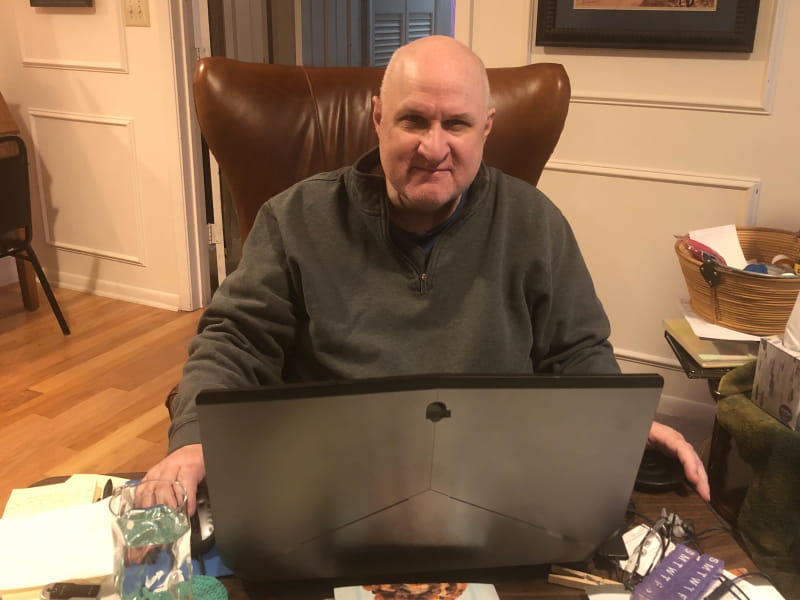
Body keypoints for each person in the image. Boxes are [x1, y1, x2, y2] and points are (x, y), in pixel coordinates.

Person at [146, 35, 710, 513]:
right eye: (413, 119)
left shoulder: (535, 223)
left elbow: (579, 350)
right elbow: (234, 342)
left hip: (494, 482)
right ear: (377, 118)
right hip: (330, 482)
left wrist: (619, 426)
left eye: (457, 124)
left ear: (486, 128)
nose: (433, 147)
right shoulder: (294, 219)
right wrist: (196, 439)